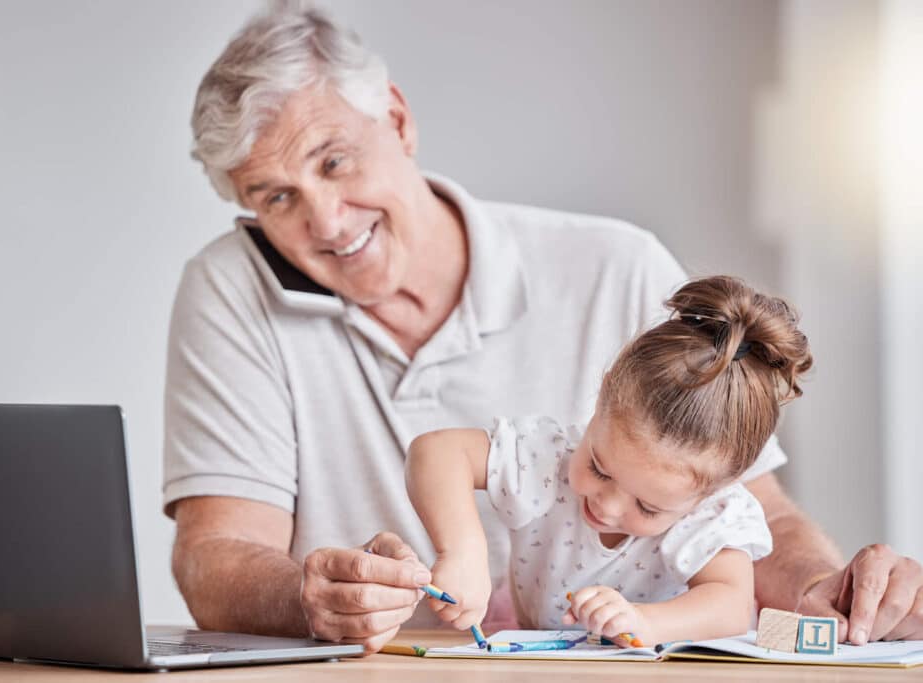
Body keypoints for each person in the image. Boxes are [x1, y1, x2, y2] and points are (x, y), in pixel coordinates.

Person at [163, 3, 923, 653]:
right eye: (275, 198)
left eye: (334, 162)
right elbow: (214, 555)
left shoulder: (615, 265)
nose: (325, 222)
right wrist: (311, 594)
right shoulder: (230, 287)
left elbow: (758, 517)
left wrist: (830, 593)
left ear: (396, 119)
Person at [406, 276, 809, 644]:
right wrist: (463, 550)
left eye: (648, 506)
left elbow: (731, 608)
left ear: (713, 491)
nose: (608, 505)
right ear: (598, 405)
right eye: (599, 467)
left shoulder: (712, 513)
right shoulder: (545, 459)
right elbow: (436, 452)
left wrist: (646, 622)